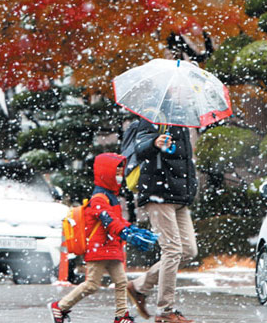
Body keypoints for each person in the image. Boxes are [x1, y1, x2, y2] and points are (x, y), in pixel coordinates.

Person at [50, 153, 157, 323]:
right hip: (98, 248)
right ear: (105, 173)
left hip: (111, 247)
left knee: (121, 282)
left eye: (121, 172)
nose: (119, 176)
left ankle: (121, 316)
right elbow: (108, 219)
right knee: (92, 284)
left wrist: (131, 229)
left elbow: (117, 220)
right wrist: (125, 232)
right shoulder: (99, 198)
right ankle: (60, 306)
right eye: (116, 172)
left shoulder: (111, 196)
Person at [127, 119, 198, 323]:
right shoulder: (154, 115)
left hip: (179, 196)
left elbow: (185, 159)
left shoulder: (182, 122)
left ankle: (139, 286)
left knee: (188, 251)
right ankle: (165, 311)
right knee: (172, 250)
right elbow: (140, 146)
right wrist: (153, 143)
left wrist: (190, 188)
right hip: (159, 192)